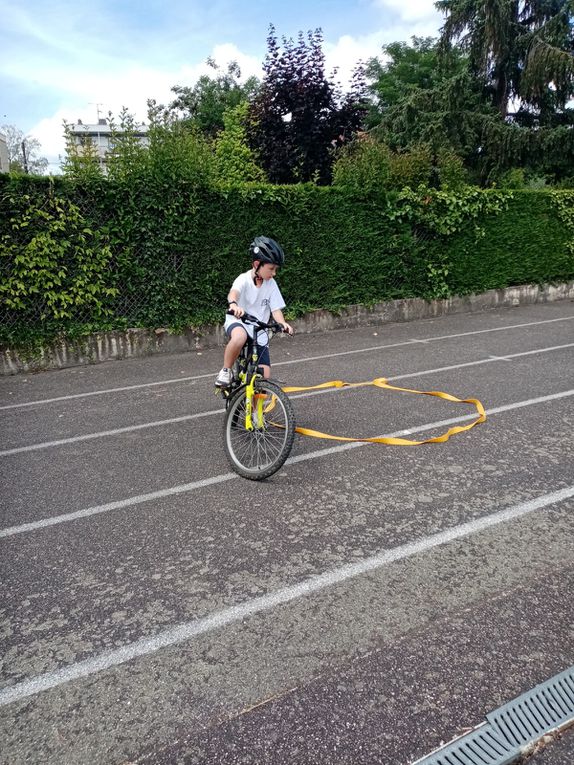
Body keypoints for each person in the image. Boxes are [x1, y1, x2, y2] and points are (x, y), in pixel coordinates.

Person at [215, 236, 293, 388]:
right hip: (239, 321)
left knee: (264, 376)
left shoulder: (271, 284)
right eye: (271, 269)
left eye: (276, 269)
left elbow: (275, 309)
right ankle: (226, 370)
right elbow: (233, 293)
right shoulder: (243, 279)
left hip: (259, 329)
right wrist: (233, 304)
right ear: (257, 264)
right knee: (239, 337)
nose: (274, 273)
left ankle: (257, 411)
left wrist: (282, 323)